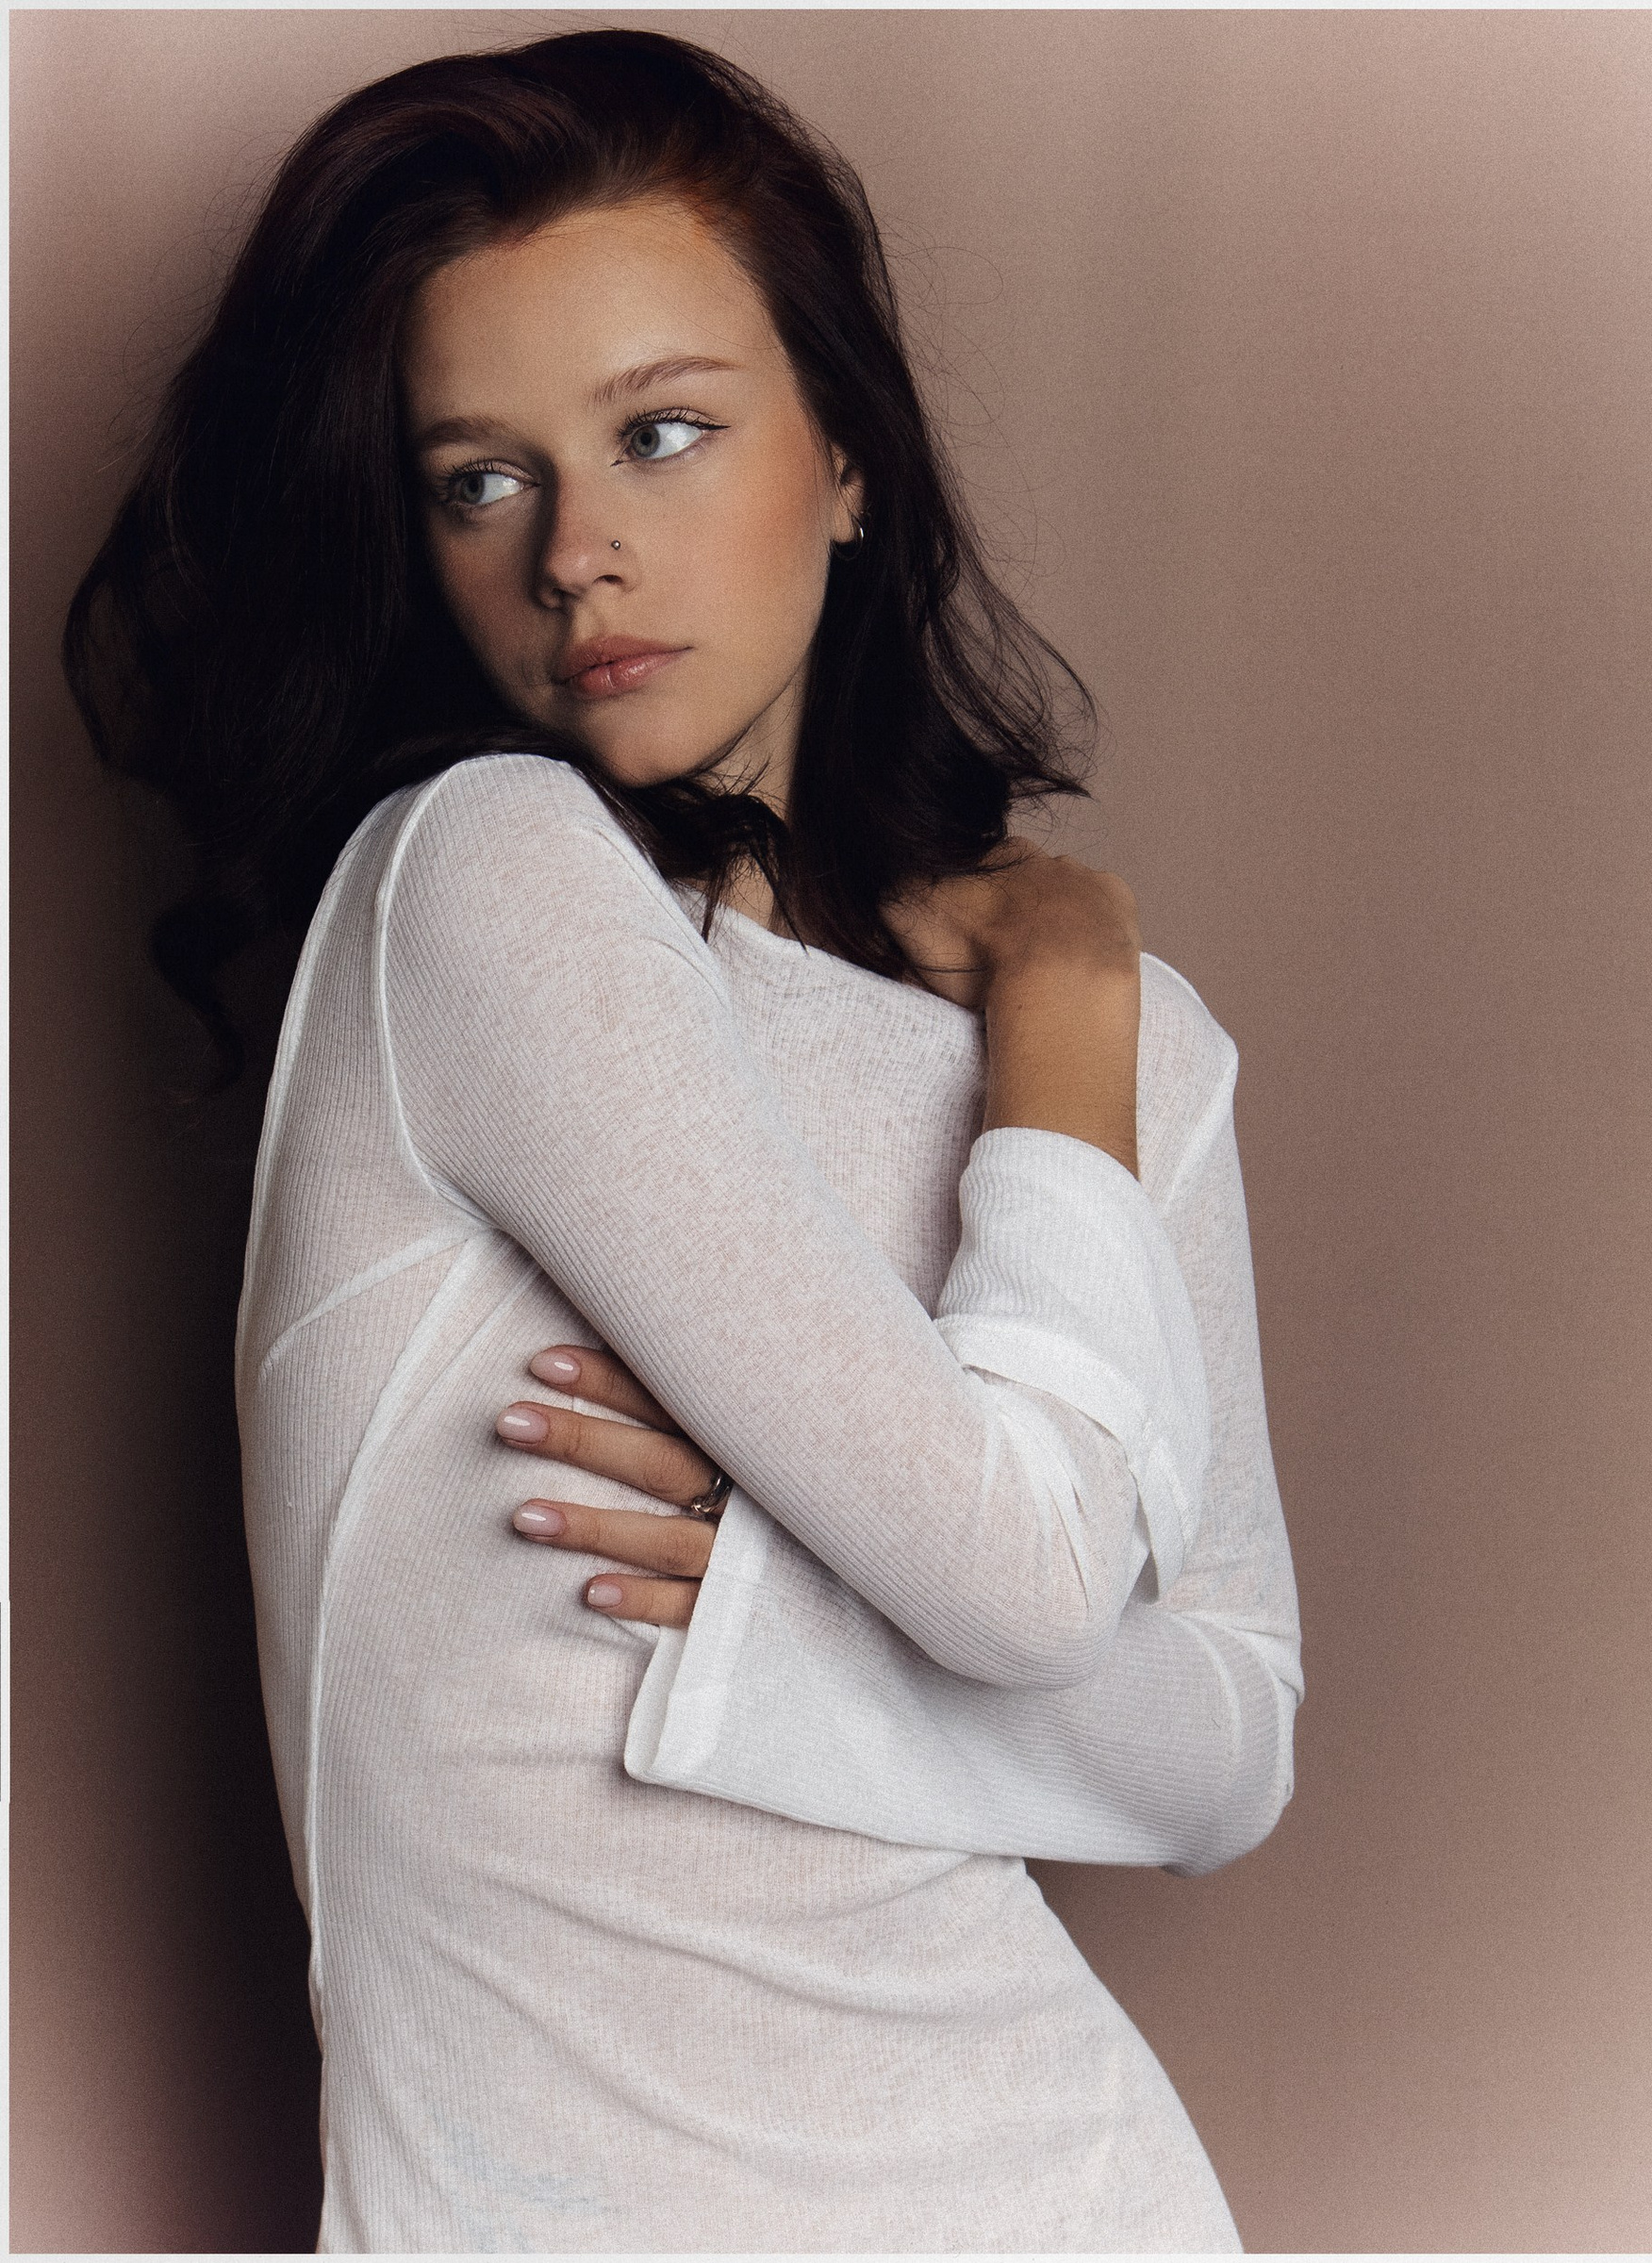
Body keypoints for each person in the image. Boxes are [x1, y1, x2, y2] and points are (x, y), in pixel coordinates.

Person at [64, 28, 1302, 2254]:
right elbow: (1033, 1586)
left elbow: (1231, 1747)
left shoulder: (1124, 1048)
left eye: (660, 432)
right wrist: (884, 1575)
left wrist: (788, 1597)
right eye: (482, 479)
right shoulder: (476, 881)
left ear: (849, 458)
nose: (576, 555)